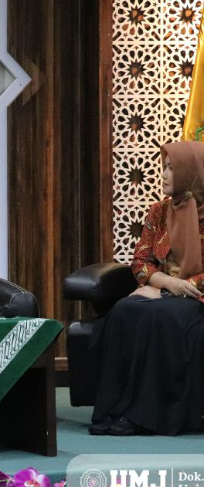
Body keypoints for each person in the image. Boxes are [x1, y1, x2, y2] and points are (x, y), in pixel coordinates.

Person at [90, 141, 204, 437]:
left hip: (197, 297)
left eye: (171, 168)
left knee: (161, 316)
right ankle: (112, 409)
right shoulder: (160, 210)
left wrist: (172, 291)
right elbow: (140, 260)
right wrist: (164, 283)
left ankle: (144, 416)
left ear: (192, 173)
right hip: (166, 289)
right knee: (124, 310)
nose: (164, 175)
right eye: (163, 167)